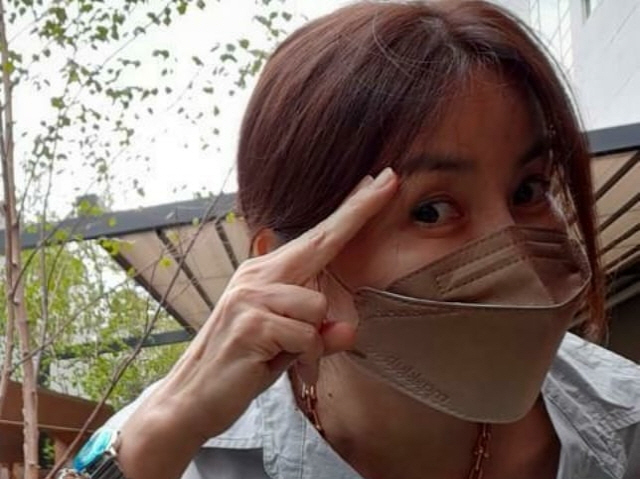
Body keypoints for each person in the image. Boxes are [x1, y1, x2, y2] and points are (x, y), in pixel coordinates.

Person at [66, 1, 640, 478]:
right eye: (432, 210)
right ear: (289, 265)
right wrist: (148, 447)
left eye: (529, 190)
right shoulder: (181, 453)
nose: (515, 252)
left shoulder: (623, 420)